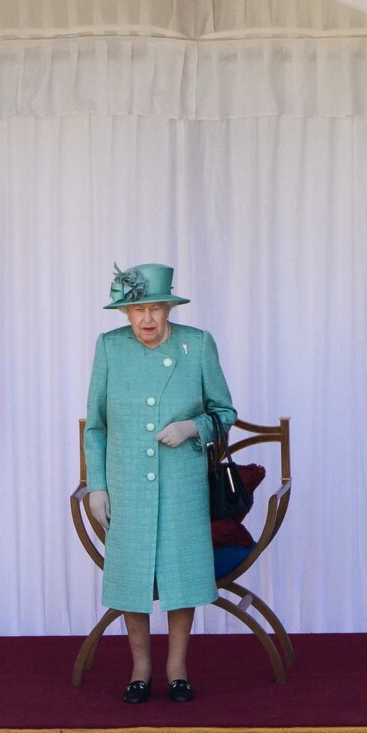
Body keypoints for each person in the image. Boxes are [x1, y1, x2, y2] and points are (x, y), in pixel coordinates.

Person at [84, 263, 236, 704]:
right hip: (126, 485)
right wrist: (97, 484)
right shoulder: (110, 349)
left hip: (181, 484)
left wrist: (193, 428)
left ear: (170, 308)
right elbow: (95, 426)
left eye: (155, 308)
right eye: (137, 310)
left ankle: (177, 668)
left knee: (181, 573)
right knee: (132, 576)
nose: (147, 319)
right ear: (124, 314)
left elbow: (225, 413)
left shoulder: (197, 344)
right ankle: (140, 667)